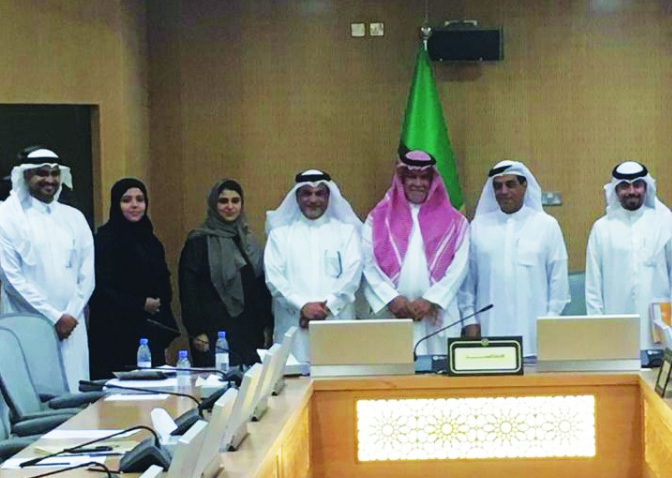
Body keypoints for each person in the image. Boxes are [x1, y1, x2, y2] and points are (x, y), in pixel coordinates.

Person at [0, 148, 94, 390]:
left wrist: (70, 315)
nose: (49, 180)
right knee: (30, 394)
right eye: (42, 173)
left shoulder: (74, 217)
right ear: (26, 176)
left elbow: (87, 275)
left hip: (72, 326)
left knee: (74, 390)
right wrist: (54, 317)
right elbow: (11, 278)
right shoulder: (7, 216)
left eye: (54, 173)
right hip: (27, 323)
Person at [362, 150, 469, 356]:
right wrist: (391, 299)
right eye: (411, 176)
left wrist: (431, 300)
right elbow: (367, 264)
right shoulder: (377, 218)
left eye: (424, 178)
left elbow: (460, 267)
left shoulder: (456, 222)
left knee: (437, 382)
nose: (417, 183)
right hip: (393, 315)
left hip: (436, 317)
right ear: (402, 179)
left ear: (433, 181)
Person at [459, 161, 568, 354]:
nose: (503, 191)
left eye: (510, 184)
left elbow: (558, 281)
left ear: (524, 186)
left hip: (535, 329)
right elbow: (468, 280)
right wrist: (469, 320)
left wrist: (551, 323)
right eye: (497, 186)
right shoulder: (478, 227)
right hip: (489, 328)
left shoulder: (547, 226)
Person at [585, 161, 672, 350]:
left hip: (659, 325)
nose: (631, 191)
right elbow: (593, 286)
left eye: (637, 185)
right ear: (615, 190)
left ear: (645, 187)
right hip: (615, 325)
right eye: (624, 186)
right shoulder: (602, 228)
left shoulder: (665, 223)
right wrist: (597, 328)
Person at [265, 169, 364, 362]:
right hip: (294, 325)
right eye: (306, 193)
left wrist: (325, 308)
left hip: (335, 323)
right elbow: (274, 279)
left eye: (319, 193)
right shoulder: (280, 234)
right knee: (293, 385)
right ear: (297, 197)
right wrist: (302, 306)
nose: (313, 199)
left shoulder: (346, 232)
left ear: (329, 197)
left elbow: (352, 276)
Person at [88, 178, 178, 378]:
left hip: (149, 331)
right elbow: (101, 288)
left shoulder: (151, 240)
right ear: (116, 204)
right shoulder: (104, 240)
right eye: (126, 200)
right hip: (114, 333)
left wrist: (159, 304)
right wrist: (139, 303)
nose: (135, 205)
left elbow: (163, 280)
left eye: (140, 199)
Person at [179, 179, 270, 368]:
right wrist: (196, 331)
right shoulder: (199, 241)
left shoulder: (248, 239)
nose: (230, 207)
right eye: (223, 201)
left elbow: (259, 285)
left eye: (235, 201)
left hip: (248, 330)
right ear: (214, 204)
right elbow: (188, 290)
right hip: (212, 332)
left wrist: (266, 325)